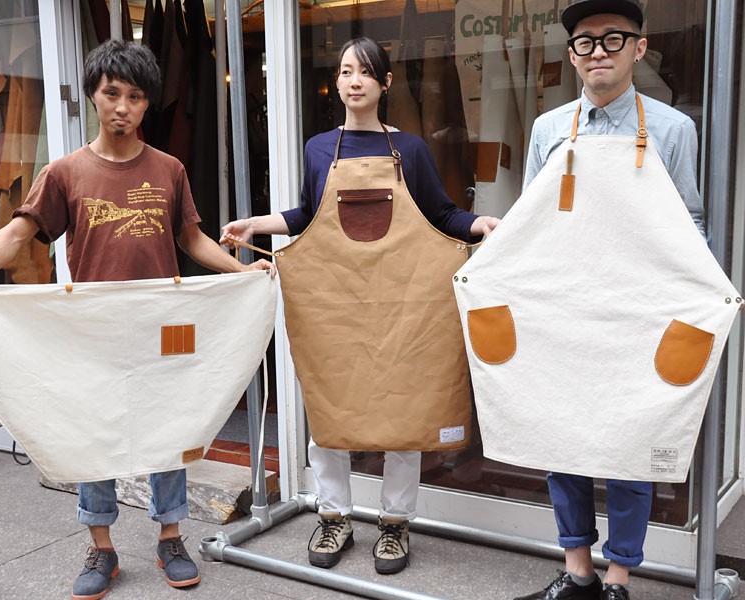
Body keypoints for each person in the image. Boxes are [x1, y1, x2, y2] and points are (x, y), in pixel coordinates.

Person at [0, 39, 274, 600]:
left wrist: (244, 272)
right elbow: (20, 233)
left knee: (169, 427)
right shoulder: (65, 172)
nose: (123, 106)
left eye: (136, 97)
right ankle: (101, 546)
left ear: (148, 104)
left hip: (162, 328)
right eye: (112, 93)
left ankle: (171, 537)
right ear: (94, 96)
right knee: (90, 431)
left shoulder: (169, 169)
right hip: (91, 331)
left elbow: (192, 238)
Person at [221, 36, 500, 575]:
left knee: (405, 410)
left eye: (366, 72)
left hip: (402, 305)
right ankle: (334, 517)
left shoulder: (410, 150)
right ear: (338, 81)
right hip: (334, 304)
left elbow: (440, 215)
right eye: (347, 70)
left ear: (385, 83)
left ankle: (395, 525)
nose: (355, 81)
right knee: (329, 407)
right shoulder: (318, 148)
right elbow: (308, 215)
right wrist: (258, 223)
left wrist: (477, 223)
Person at [513, 2, 704, 599]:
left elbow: (690, 222)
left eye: (612, 39)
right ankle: (577, 571)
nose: (598, 51)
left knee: (632, 447)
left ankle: (618, 577)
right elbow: (531, 222)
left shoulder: (672, 129)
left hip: (639, 311)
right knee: (561, 440)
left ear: (639, 48)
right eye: (585, 42)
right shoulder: (548, 129)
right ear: (572, 55)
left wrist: (696, 297)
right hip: (563, 308)